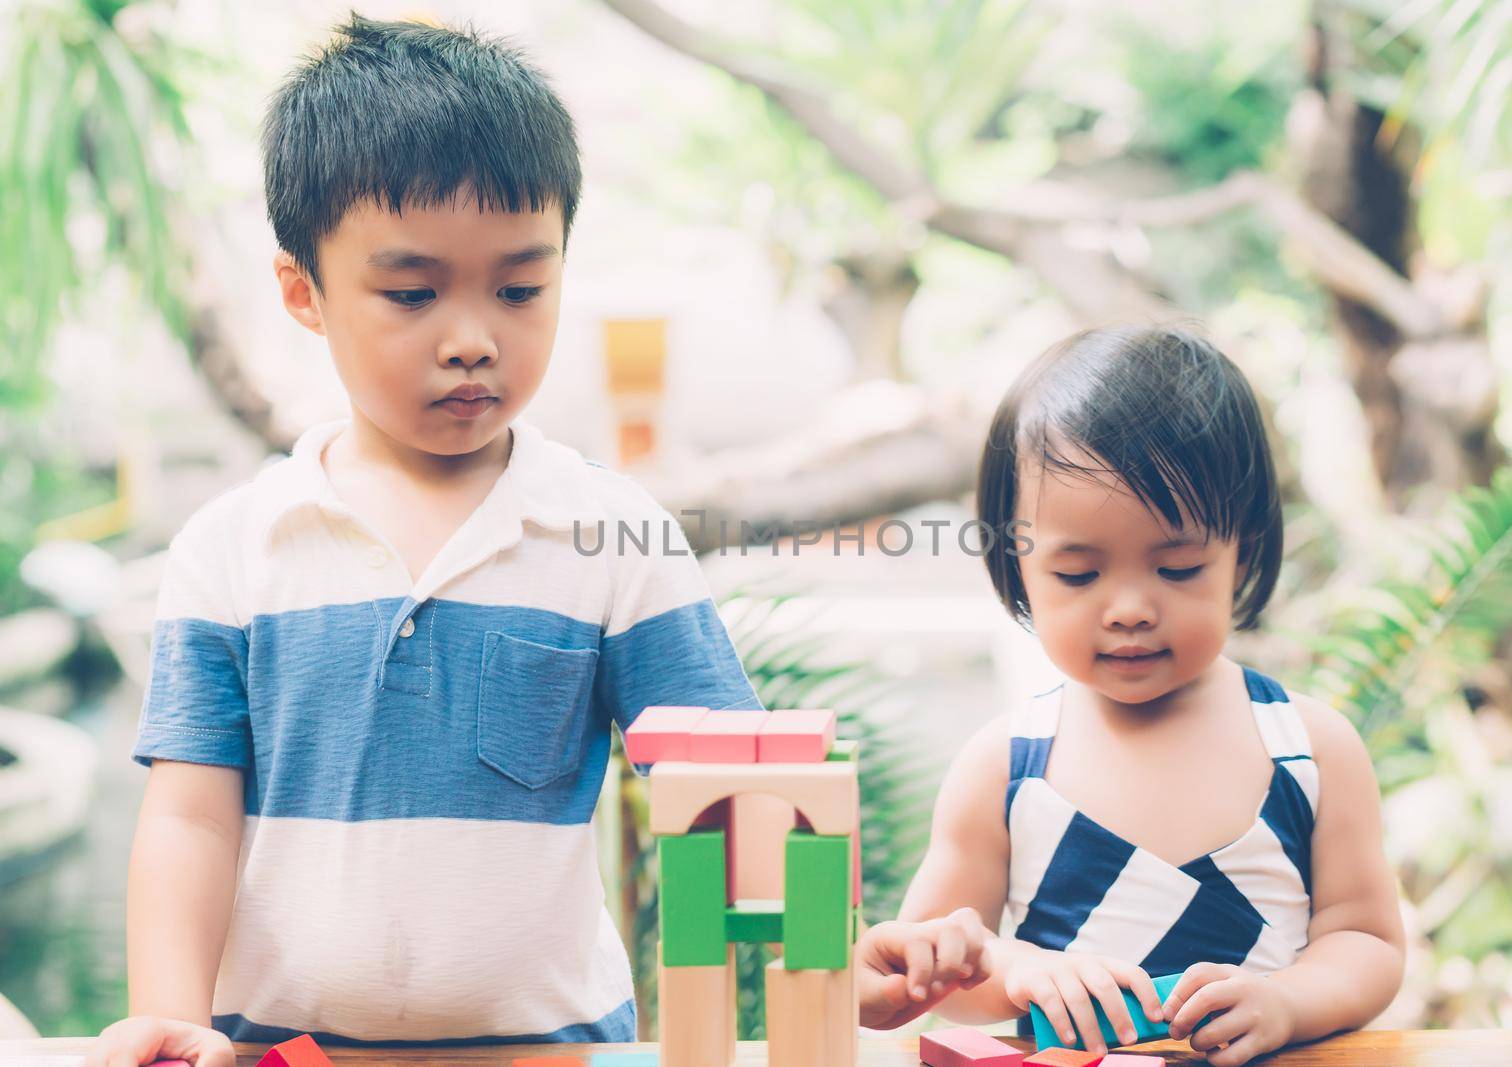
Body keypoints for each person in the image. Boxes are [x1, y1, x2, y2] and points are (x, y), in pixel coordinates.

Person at [84, 16, 991, 1065]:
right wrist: (169, 1012)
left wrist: (834, 943)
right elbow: (191, 818)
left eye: (519, 287)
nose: (472, 334)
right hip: (281, 1053)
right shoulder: (231, 551)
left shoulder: (610, 536)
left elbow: (738, 786)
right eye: (412, 292)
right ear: (304, 292)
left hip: (553, 1052)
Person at [890, 326, 1405, 1066]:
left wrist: (1288, 999)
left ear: (1243, 554)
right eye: (1078, 574)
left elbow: (1366, 941)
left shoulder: (1311, 750)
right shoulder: (1005, 765)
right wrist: (1022, 975)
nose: (1129, 607)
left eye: (1179, 567)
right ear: (1018, 564)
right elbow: (930, 969)